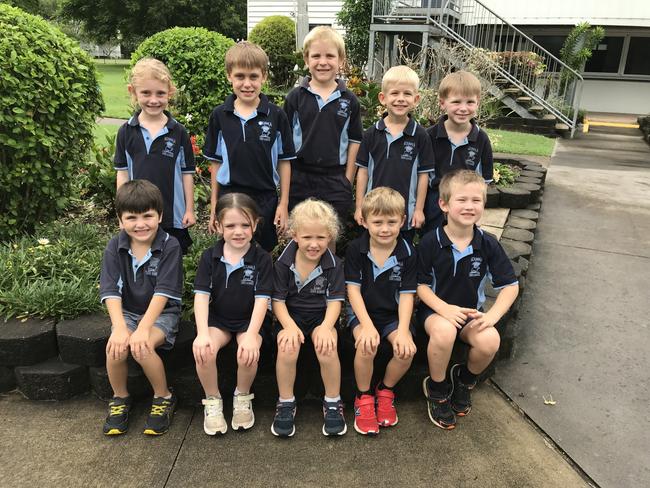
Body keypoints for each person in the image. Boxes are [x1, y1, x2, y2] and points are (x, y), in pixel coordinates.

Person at [417, 170, 519, 430]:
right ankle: (437, 388)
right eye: (461, 200)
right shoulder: (430, 242)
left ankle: (463, 380)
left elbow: (510, 286)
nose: (469, 206)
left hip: (471, 314)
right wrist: (444, 309)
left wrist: (492, 317)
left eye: (476, 200)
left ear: (483, 205)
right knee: (444, 331)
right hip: (435, 313)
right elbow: (419, 285)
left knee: (490, 340)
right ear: (444, 204)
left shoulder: (488, 244)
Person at [99, 180, 184, 436]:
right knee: (115, 348)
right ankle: (120, 398)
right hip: (127, 312)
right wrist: (120, 328)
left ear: (160, 216)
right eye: (131, 218)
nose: (140, 224)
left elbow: (163, 292)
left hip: (162, 314)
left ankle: (163, 397)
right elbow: (110, 290)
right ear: (120, 220)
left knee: (142, 347)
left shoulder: (170, 246)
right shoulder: (115, 246)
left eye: (148, 216)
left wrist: (143, 329)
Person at [192, 193, 273, 435]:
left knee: (247, 352)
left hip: (251, 320)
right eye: (230, 225)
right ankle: (213, 400)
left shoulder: (262, 258)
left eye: (245, 225)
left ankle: (242, 396)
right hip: (219, 320)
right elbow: (201, 297)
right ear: (218, 226)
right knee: (204, 352)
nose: (238, 231)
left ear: (256, 225)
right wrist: (202, 333)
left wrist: (250, 335)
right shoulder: (210, 257)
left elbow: (262, 299)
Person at [203, 41, 295, 252]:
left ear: (264, 76)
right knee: (233, 249)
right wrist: (214, 206)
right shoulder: (219, 115)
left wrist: (283, 204)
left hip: (265, 197)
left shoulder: (276, 115)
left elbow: (284, 162)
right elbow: (216, 164)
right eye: (240, 76)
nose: (247, 84)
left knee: (262, 252)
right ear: (229, 76)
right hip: (230, 195)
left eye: (253, 76)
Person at [345, 187, 417, 435]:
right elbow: (353, 292)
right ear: (364, 222)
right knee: (367, 345)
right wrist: (365, 325)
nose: (384, 228)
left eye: (391, 222)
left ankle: (385, 391)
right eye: (377, 222)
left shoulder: (407, 252)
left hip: (392, 317)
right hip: (361, 314)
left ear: (403, 221)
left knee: (406, 350)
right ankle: (363, 396)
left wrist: (405, 331)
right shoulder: (356, 249)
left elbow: (408, 295)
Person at [271, 199, 347, 437]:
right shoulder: (283, 263)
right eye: (307, 238)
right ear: (295, 236)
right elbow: (278, 301)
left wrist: (326, 327)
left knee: (327, 347)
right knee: (287, 347)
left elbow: (335, 301)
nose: (314, 244)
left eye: (321, 238)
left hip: (320, 319)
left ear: (330, 237)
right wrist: (289, 327)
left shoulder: (334, 264)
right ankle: (285, 402)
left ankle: (333, 401)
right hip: (290, 317)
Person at [114, 58, 196, 254]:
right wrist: (122, 214)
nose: (154, 100)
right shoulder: (126, 132)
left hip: (172, 215)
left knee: (171, 259)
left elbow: (187, 174)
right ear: (132, 92)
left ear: (170, 93)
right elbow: (122, 175)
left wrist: (189, 210)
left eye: (160, 93)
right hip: (138, 214)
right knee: (142, 258)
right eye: (146, 93)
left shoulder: (178, 132)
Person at [284, 26, 363, 229]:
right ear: (306, 59)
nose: (323, 62)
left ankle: (330, 263)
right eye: (316, 56)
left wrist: (348, 179)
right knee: (300, 233)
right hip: (300, 176)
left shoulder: (349, 100)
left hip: (335, 178)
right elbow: (284, 140)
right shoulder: (296, 97)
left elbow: (354, 141)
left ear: (341, 60)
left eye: (330, 56)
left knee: (329, 234)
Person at [355, 65, 434, 243]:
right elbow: (363, 172)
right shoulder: (371, 134)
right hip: (373, 212)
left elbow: (423, 176)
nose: (401, 99)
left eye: (407, 94)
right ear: (382, 98)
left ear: (416, 99)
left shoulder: (421, 136)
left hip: (404, 215)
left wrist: (419, 210)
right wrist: (359, 206)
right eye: (395, 93)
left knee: (402, 257)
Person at [423, 71, 493, 235]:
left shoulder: (481, 139)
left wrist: (477, 208)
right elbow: (422, 175)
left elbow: (485, 180)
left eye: (470, 102)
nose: (463, 108)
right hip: (434, 201)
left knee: (462, 242)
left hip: (465, 204)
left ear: (478, 103)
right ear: (442, 103)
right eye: (456, 102)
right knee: (433, 242)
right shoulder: (429, 136)